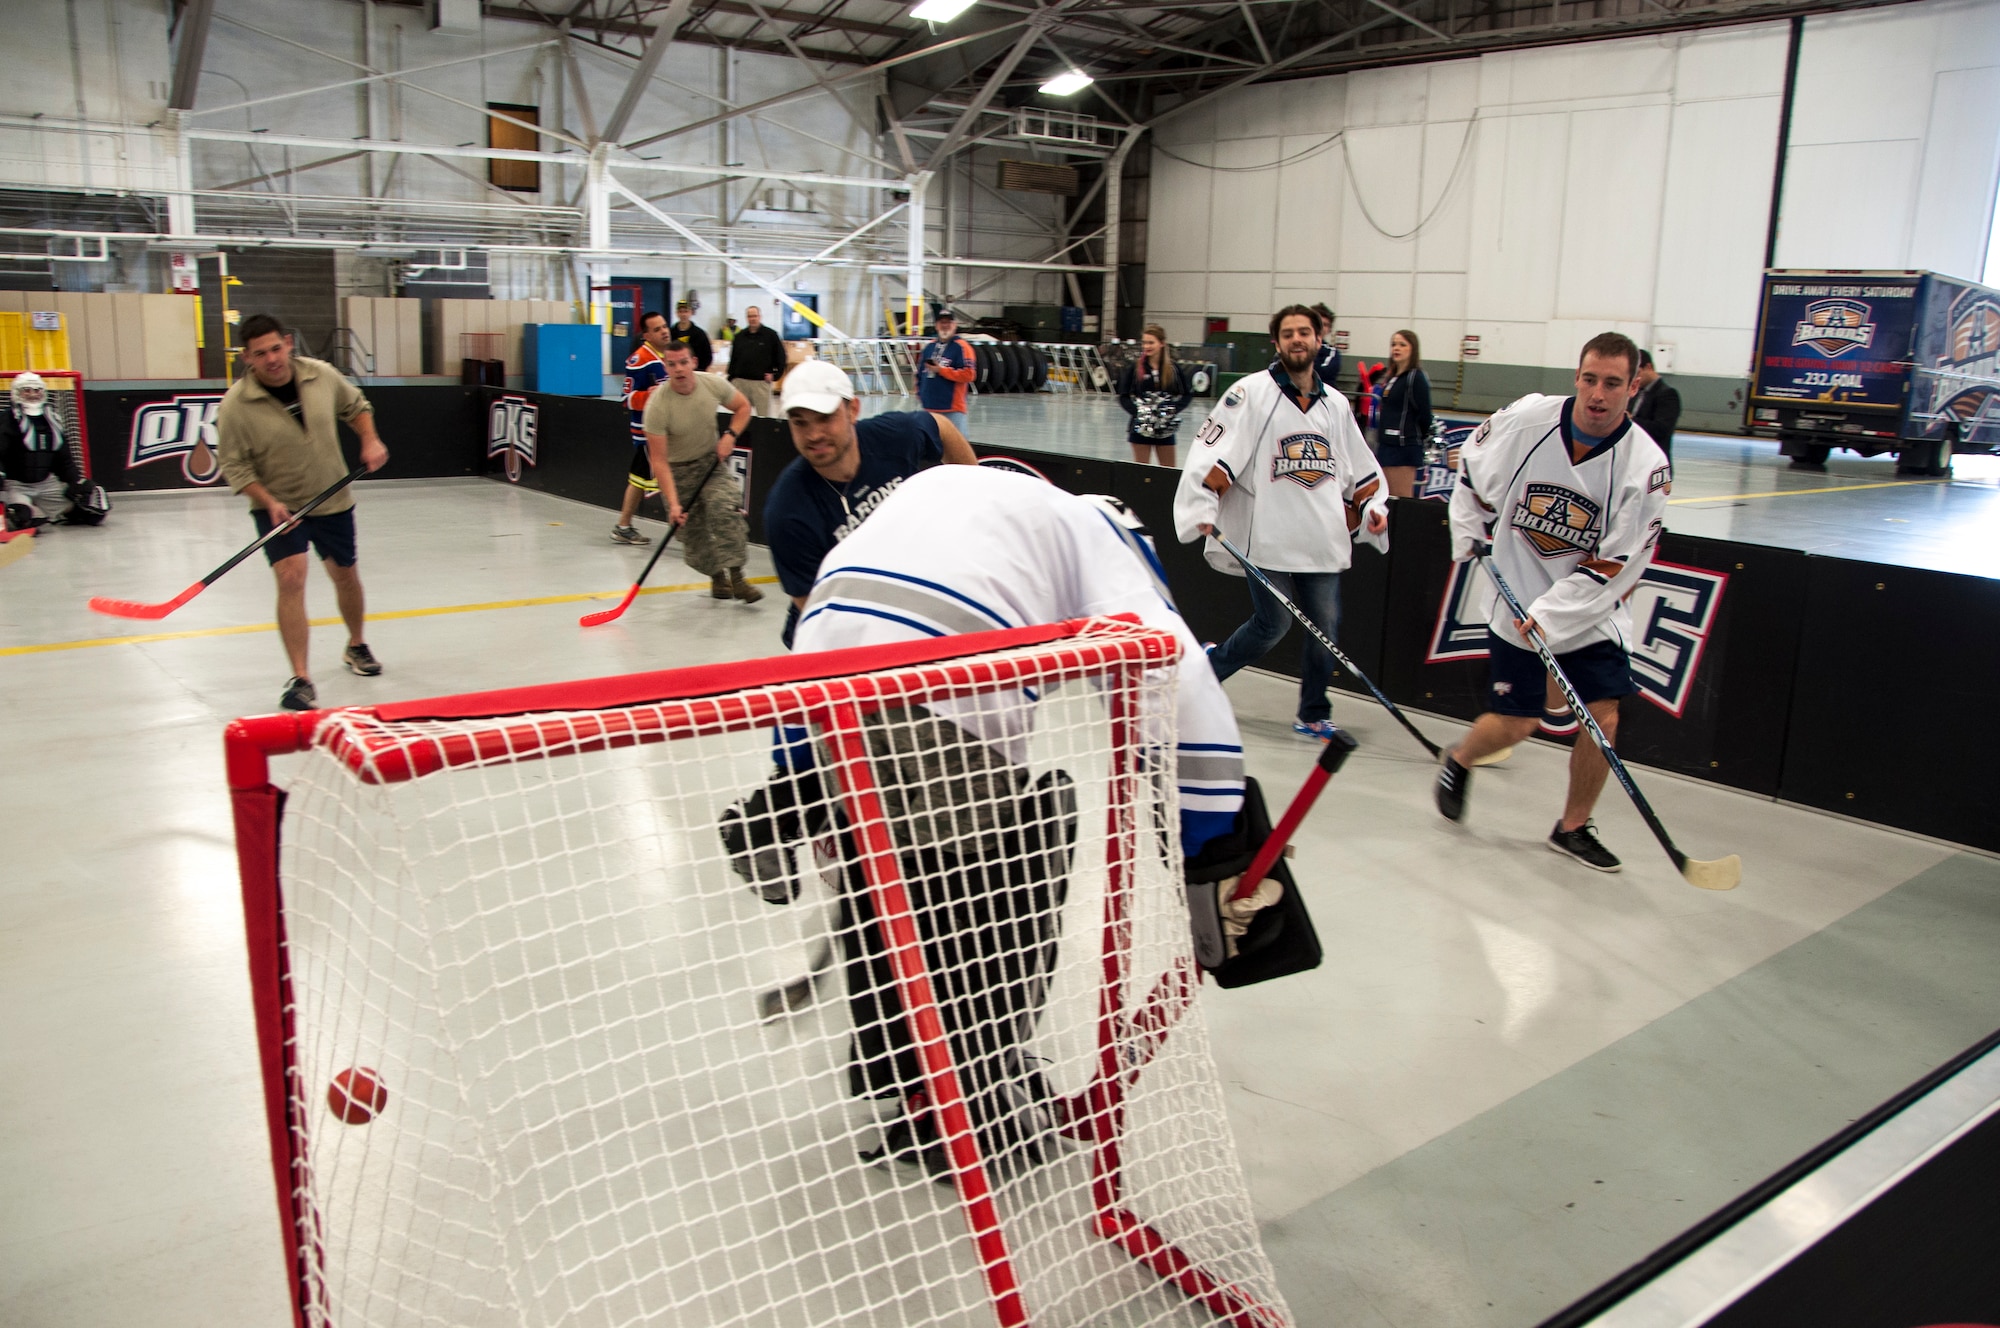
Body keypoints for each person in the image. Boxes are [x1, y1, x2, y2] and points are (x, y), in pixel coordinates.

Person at [723, 464, 1246, 1182]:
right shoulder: (1094, 527)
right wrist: (1213, 849)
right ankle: (961, 1098)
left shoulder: (935, 489)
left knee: (883, 862)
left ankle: (897, 1068)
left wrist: (795, 771)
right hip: (943, 664)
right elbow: (1172, 671)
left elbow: (823, 647)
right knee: (997, 871)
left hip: (824, 645)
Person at [1434, 332, 1671, 873]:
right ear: (1577, 376)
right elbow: (1470, 468)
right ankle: (1461, 758)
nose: (1598, 394)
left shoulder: (1645, 468)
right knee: (1517, 723)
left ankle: (1571, 826)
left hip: (1588, 612)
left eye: (1613, 383)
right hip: (1514, 597)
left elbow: (1618, 565)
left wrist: (1552, 614)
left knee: (1602, 717)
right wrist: (1468, 529)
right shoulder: (1528, 419)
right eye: (1589, 379)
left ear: (1633, 386)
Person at [1175, 304, 1389, 741]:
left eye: (1304, 332)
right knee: (1273, 624)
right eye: (1288, 333)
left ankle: (1313, 712)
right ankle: (1206, 673)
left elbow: (1358, 470)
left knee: (1325, 629)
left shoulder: (1336, 405)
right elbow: (1214, 451)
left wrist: (1372, 508)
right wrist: (1202, 504)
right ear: (1277, 343)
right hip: (1268, 535)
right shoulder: (1250, 393)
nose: (1297, 339)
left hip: (1321, 537)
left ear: (1318, 340)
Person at [216, 313, 390, 712]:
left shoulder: (321, 376)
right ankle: (301, 677)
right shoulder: (236, 406)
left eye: (276, 348)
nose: (272, 359)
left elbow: (356, 406)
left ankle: (356, 644)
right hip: (277, 509)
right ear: (247, 358)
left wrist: (370, 439)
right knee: (290, 579)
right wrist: (268, 499)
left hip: (331, 499)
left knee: (345, 574)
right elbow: (235, 467)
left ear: (289, 343)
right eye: (261, 354)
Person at [763, 358, 976, 647]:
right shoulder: (788, 511)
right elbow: (819, 614)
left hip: (909, 605)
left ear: (853, 410)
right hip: (832, 639)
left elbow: (942, 427)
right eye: (800, 423)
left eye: (825, 418)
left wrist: (972, 501)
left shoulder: (892, 437)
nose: (814, 435)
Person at [641, 341, 759, 602]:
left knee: (724, 507)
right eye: (672, 364)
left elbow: (743, 408)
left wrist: (730, 434)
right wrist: (673, 504)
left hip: (710, 464)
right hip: (678, 471)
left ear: (693, 362)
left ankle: (737, 578)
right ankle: (717, 578)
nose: (679, 369)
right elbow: (659, 461)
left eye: (684, 362)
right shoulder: (658, 406)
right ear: (665, 367)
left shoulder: (710, 384)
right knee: (692, 536)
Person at [1, 372, 102, 528]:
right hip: (16, 485)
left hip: (47, 484)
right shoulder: (6, 420)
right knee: (21, 518)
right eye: (27, 390)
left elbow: (63, 459)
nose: (33, 394)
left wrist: (76, 480)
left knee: (90, 513)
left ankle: (50, 512)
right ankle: (23, 511)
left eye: (37, 390)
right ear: (17, 392)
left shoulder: (52, 420)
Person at [612, 310, 674, 545]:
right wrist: (650, 396)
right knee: (643, 479)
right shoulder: (640, 359)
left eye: (665, 326)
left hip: (670, 431)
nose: (664, 331)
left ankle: (624, 525)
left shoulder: (670, 356)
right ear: (646, 335)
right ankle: (624, 525)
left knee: (641, 479)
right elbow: (625, 399)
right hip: (648, 433)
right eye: (657, 329)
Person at [1117, 323, 1195, 466]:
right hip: (1140, 430)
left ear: (1162, 344)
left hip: (1165, 430)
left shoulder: (1173, 369)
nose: (1147, 346)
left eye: (1151, 342)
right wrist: (1139, 412)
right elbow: (1123, 396)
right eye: (1145, 343)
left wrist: (1172, 410)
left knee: (1168, 473)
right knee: (1141, 474)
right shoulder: (1135, 368)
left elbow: (1186, 394)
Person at [1373, 329, 1433, 498]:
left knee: (1400, 499)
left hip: (1403, 447)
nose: (1396, 348)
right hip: (1386, 444)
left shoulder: (1416, 377)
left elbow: (1425, 415)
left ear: (1412, 349)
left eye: (1402, 345)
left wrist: (1411, 435)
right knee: (1386, 498)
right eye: (1393, 344)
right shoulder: (1392, 377)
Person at [915, 310, 976, 435]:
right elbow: (920, 374)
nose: (945, 326)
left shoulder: (962, 347)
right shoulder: (929, 347)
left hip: (952, 409)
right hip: (929, 408)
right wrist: (921, 394)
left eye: (948, 323)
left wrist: (941, 370)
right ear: (936, 325)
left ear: (954, 325)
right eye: (942, 322)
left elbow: (969, 374)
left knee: (957, 448)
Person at [726, 305, 789, 417]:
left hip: (761, 383)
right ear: (746, 318)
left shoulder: (770, 335)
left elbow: (781, 357)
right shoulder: (740, 336)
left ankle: (763, 435)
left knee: (764, 418)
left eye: (755, 316)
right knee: (739, 416)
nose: (752, 319)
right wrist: (731, 378)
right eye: (750, 316)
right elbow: (733, 358)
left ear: (760, 317)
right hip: (740, 383)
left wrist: (775, 375)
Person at [1628, 349, 1681, 472]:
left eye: (1637, 373)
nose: (1635, 378)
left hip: (1655, 465)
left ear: (1648, 367)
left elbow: (1661, 429)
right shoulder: (1636, 393)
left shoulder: (1668, 394)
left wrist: (1631, 420)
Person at [670, 300, 713, 371]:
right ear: (677, 313)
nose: (683, 314)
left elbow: (707, 356)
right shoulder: (671, 333)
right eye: (681, 311)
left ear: (691, 313)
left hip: (696, 373)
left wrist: (698, 370)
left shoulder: (699, 334)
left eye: (686, 311)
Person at [1311, 302, 1341, 387]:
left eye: (1325, 325)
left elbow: (1323, 374)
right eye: (1318, 322)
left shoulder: (1332, 352)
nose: (1320, 327)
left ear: (1329, 329)